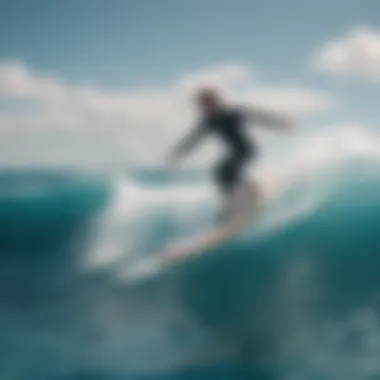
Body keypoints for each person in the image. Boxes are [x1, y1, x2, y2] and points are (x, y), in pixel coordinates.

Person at [166, 87, 294, 222]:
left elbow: (259, 117)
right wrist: (178, 153)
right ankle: (239, 201)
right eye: (202, 106)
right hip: (235, 152)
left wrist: (280, 123)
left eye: (208, 104)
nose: (205, 109)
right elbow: (193, 139)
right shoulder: (209, 122)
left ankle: (246, 197)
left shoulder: (232, 113)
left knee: (226, 170)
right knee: (222, 173)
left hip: (247, 149)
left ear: (216, 101)